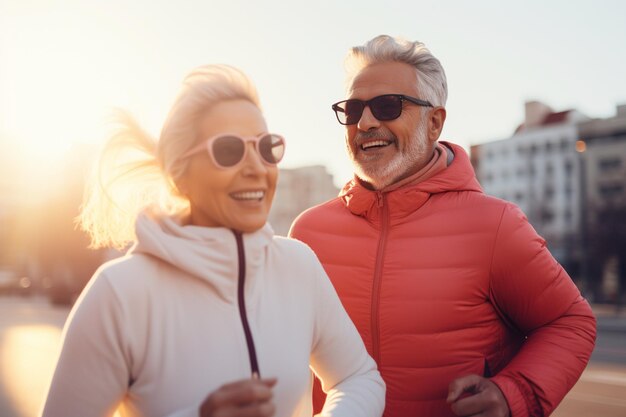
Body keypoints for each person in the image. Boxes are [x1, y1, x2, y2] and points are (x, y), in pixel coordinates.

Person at [40, 64, 385, 417]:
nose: (256, 168)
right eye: (229, 150)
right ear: (180, 176)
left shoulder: (298, 264)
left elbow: (358, 377)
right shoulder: (118, 293)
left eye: (266, 148)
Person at [289, 35, 596, 417]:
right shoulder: (308, 233)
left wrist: (512, 394)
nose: (365, 122)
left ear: (434, 122)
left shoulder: (494, 224)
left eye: (387, 106)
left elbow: (570, 321)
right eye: (353, 110)